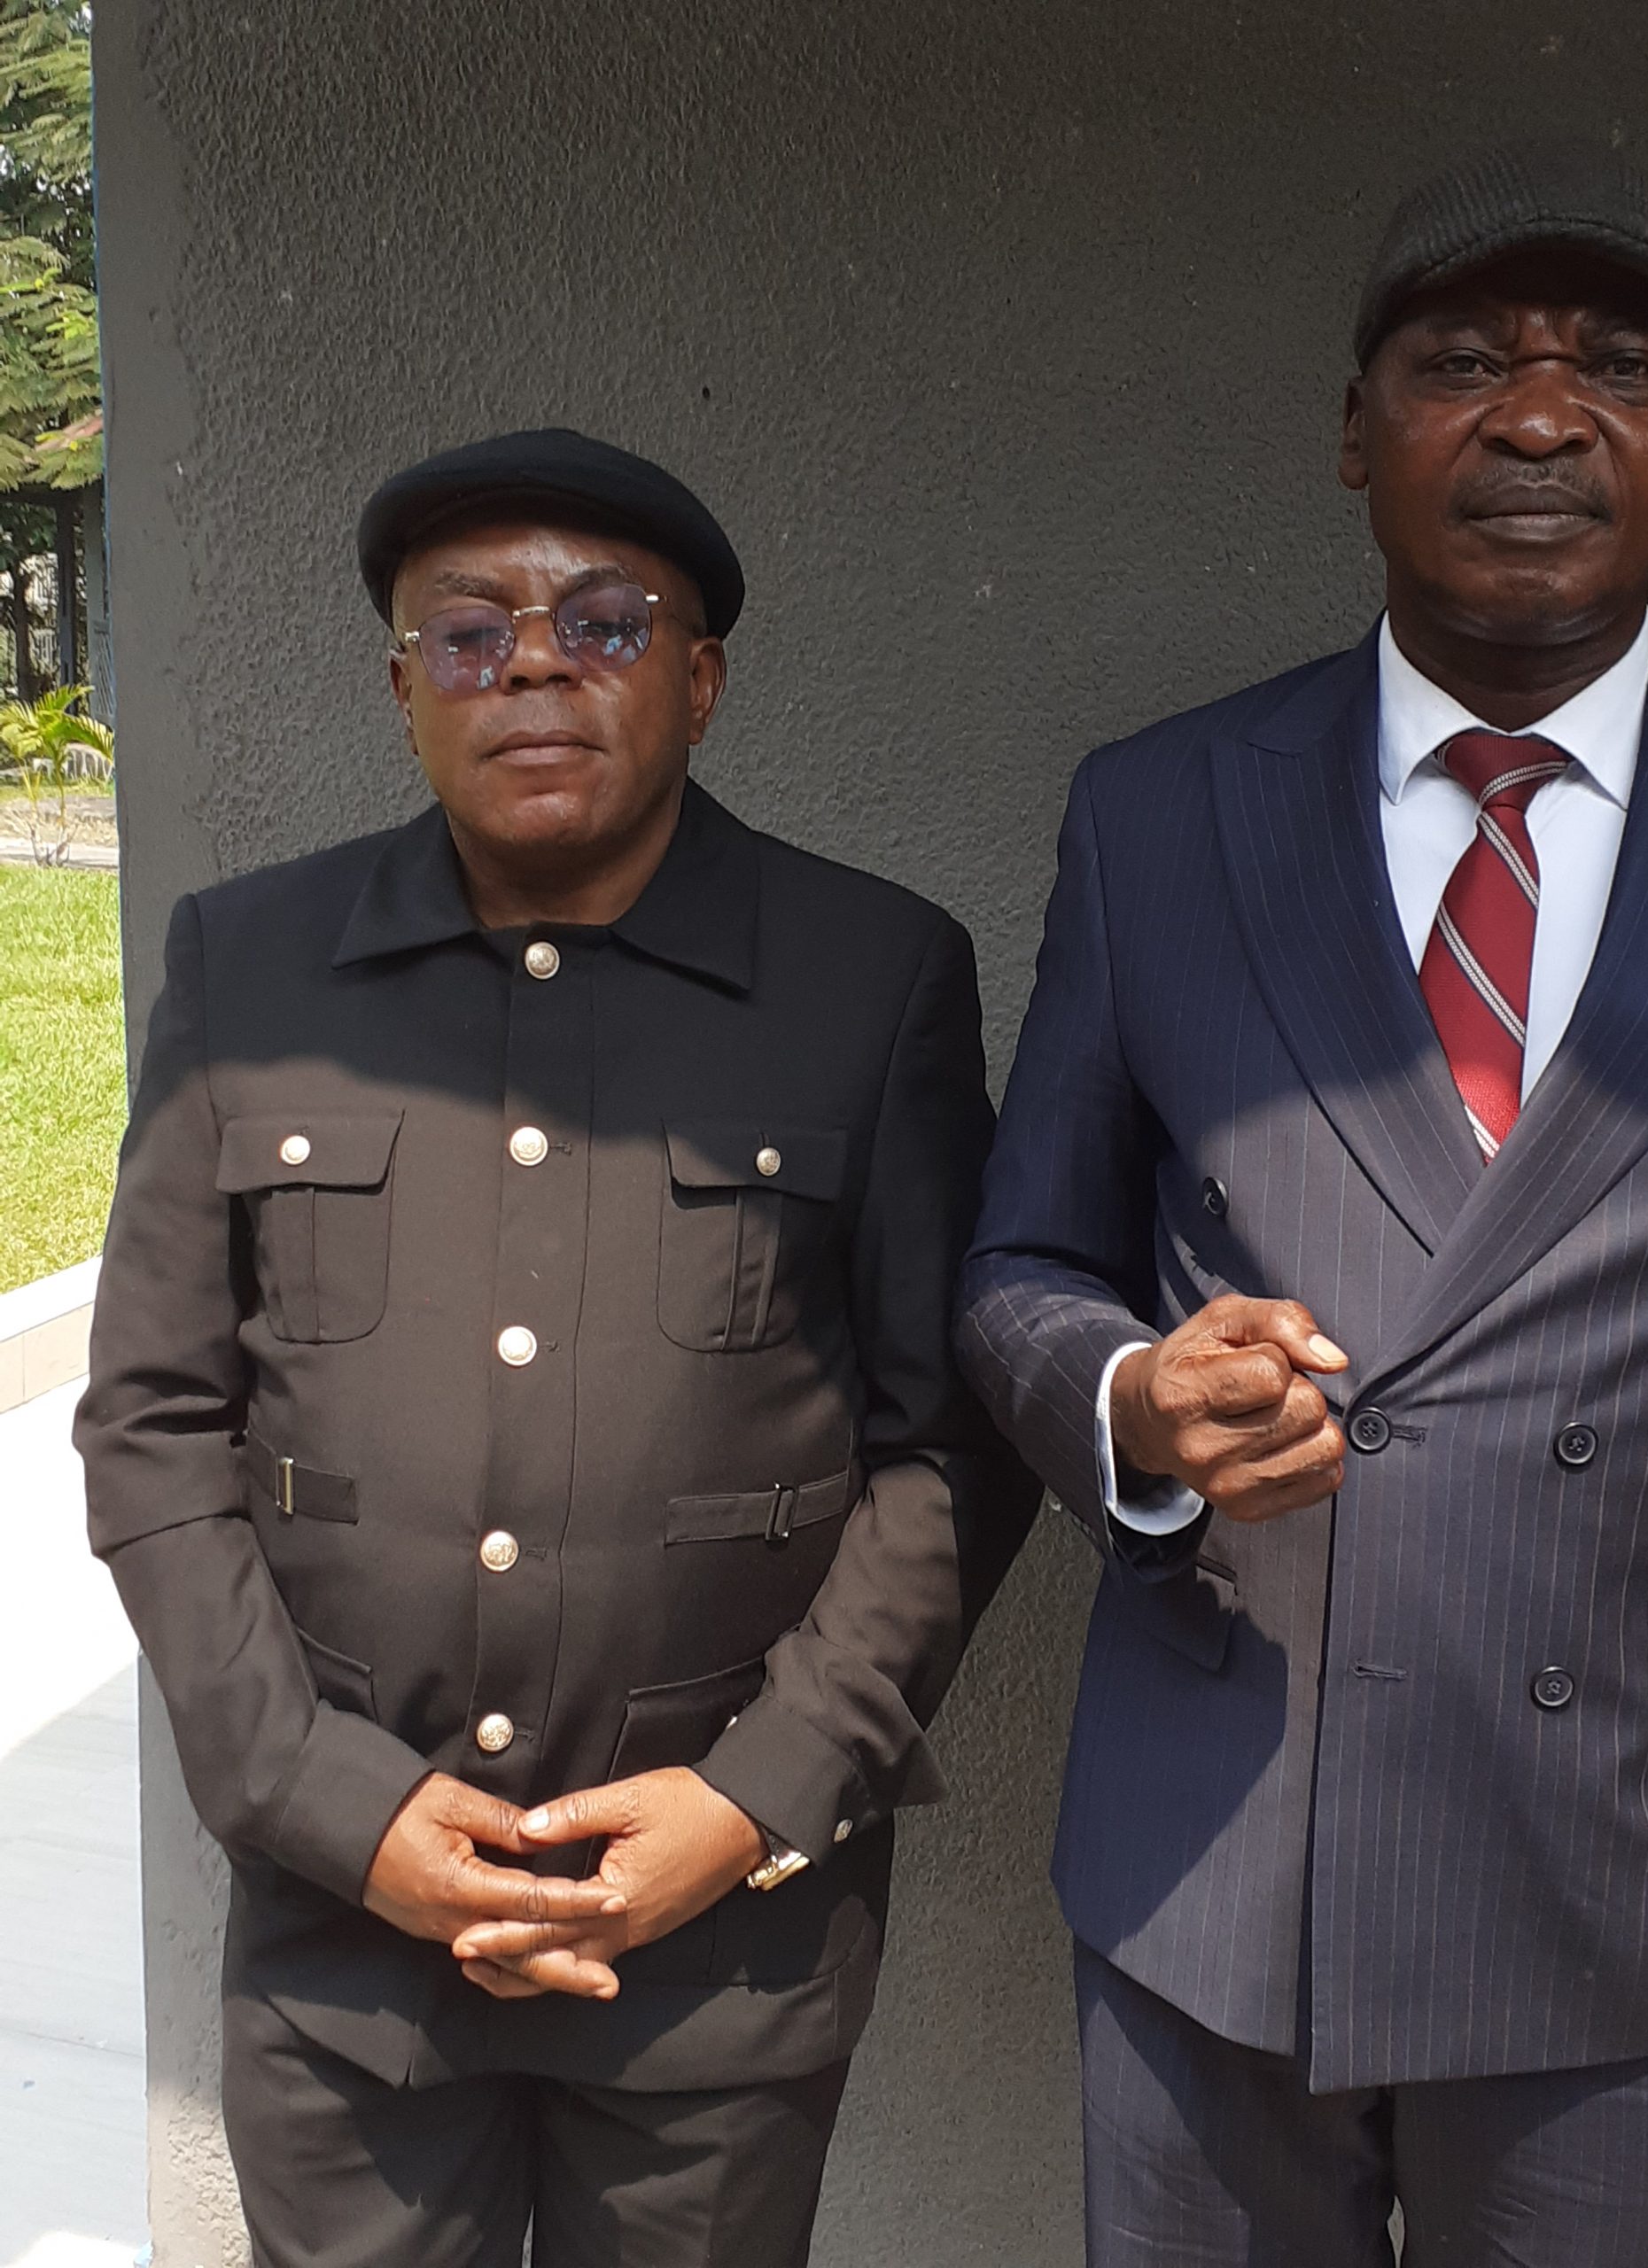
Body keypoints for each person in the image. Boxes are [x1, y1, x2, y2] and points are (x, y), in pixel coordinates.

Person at [77, 426, 1035, 2268]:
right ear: (401, 686)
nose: (529, 662)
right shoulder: (250, 965)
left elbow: (952, 1443)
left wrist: (755, 1798)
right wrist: (322, 1802)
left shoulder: (873, 974)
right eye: (467, 630)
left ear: (703, 678)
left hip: (719, 1950)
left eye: (603, 622)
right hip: (343, 1938)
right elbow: (152, 1423)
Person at [957, 142, 1648, 2263]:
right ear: (1355, 434)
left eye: (1621, 365)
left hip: (1641, 1877)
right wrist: (1130, 1406)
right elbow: (1026, 1257)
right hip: (1224, 1852)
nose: (1543, 413)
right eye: (1465, 360)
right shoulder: (1162, 807)